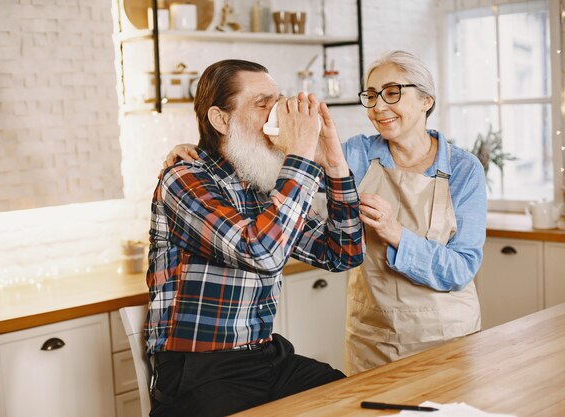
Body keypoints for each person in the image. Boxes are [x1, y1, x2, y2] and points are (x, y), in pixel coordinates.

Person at [163, 51, 487, 376]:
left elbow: (461, 268)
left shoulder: (462, 169)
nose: (378, 106)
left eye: (392, 93)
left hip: (446, 335)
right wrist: (195, 148)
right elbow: (277, 175)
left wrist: (397, 234)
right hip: (376, 336)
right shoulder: (356, 153)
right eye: (371, 96)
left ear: (426, 101)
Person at [145, 59, 363, 417]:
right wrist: (301, 156)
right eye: (263, 104)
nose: (277, 112)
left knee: (353, 400)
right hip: (200, 369)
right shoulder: (183, 179)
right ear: (221, 119)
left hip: (264, 355)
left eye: (277, 101)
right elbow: (261, 251)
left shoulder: (264, 180)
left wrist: (333, 163)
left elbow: (343, 254)